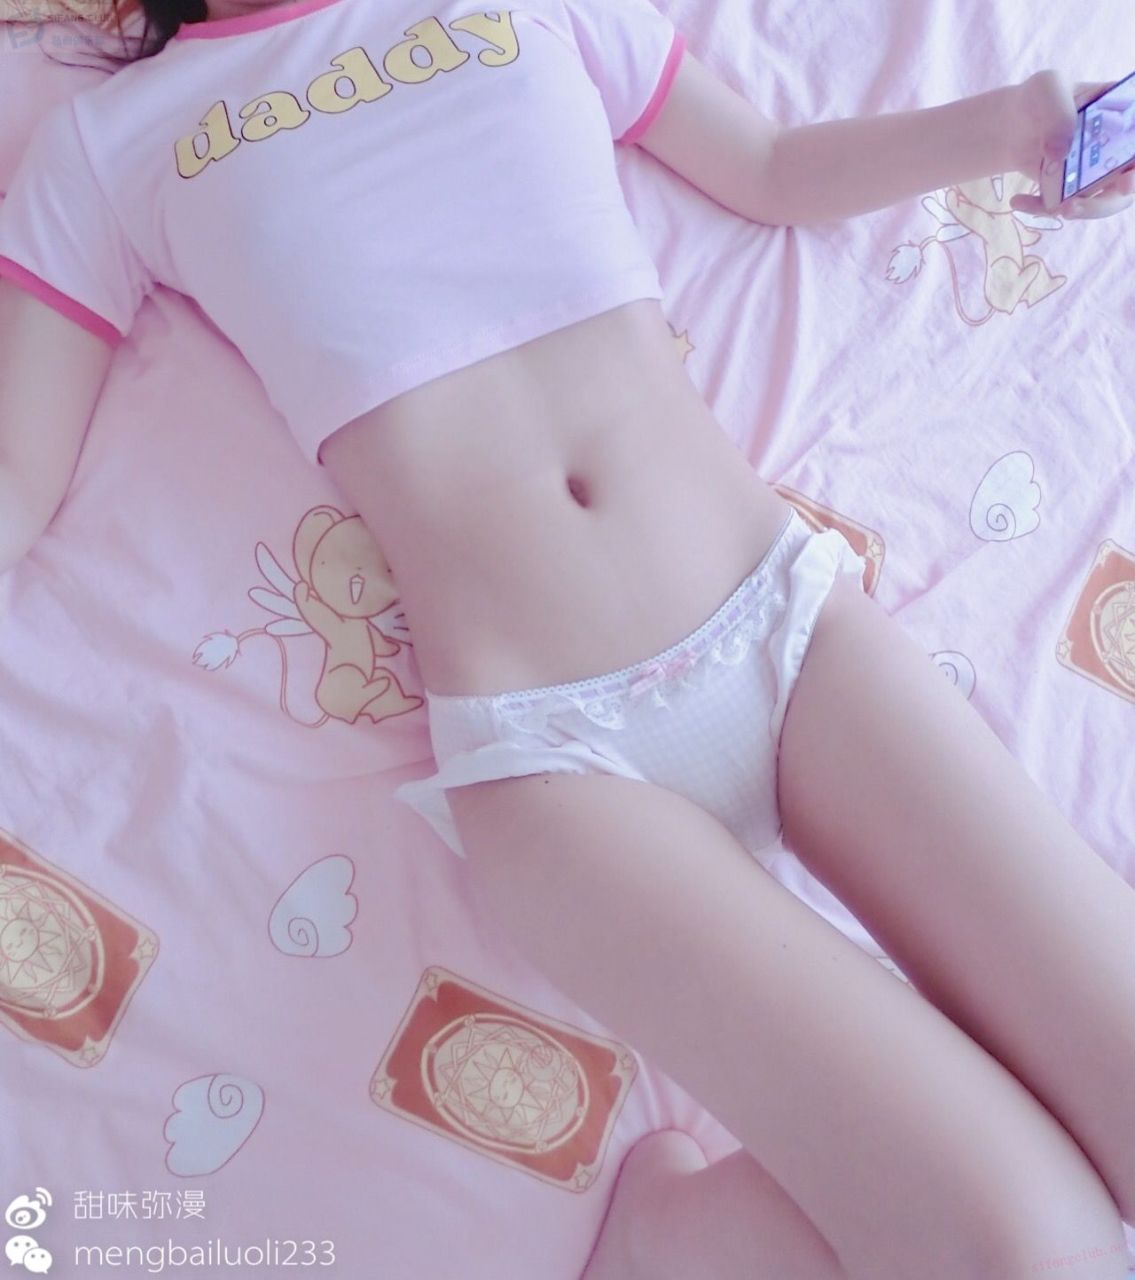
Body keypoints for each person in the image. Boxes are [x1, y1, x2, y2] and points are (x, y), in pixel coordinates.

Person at [1, 2, 1134, 1276]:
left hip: (783, 618)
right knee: (1046, 1255)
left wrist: (1011, 127)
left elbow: (770, 168)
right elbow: (18, 480)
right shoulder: (105, 145)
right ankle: (662, 1235)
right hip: (554, 759)